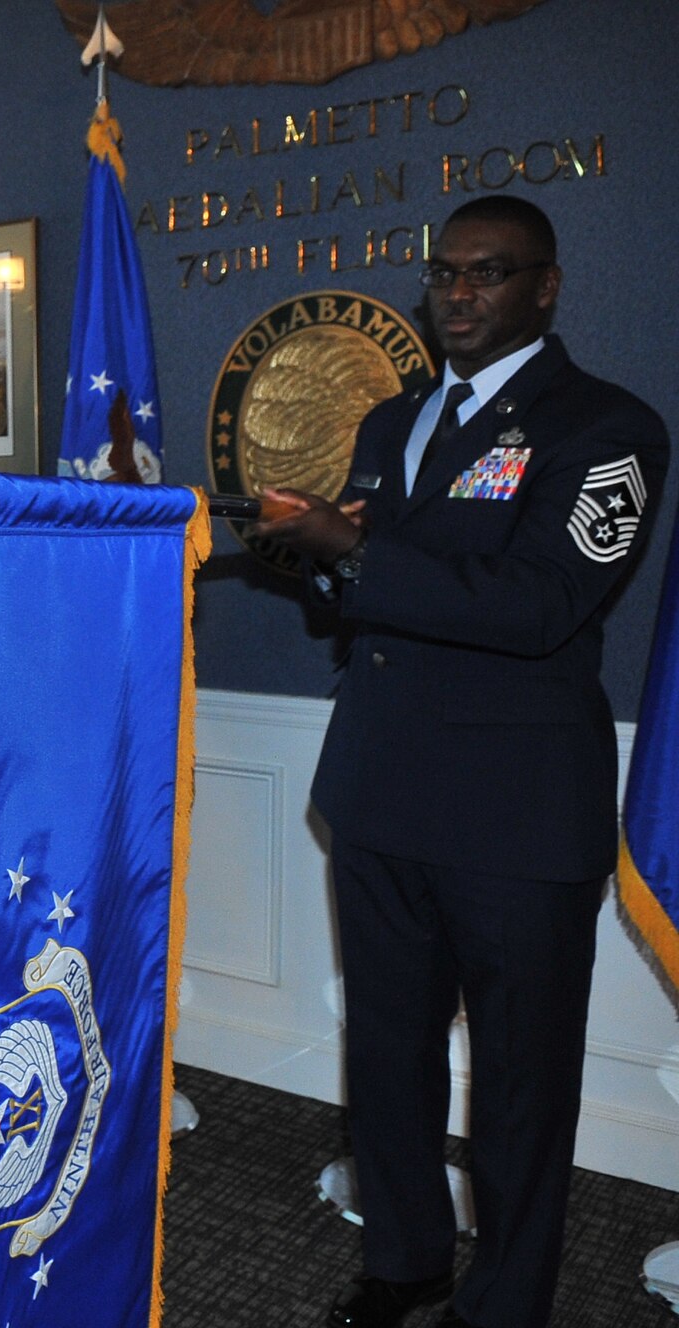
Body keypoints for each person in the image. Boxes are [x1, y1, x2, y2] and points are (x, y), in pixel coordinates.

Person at [256, 195, 669, 1328]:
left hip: (515, 814)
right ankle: (403, 1260)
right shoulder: (393, 422)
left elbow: (543, 604)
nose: (460, 293)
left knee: (520, 1088)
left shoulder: (607, 428)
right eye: (444, 272)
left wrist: (353, 548)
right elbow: (366, 601)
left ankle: (500, 1302)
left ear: (544, 286)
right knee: (385, 1056)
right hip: (378, 789)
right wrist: (314, 559)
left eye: (489, 273)